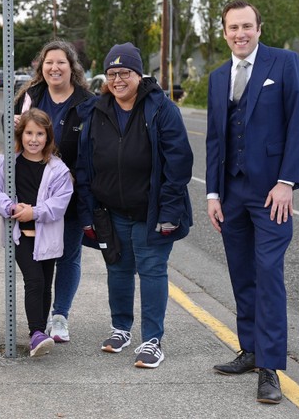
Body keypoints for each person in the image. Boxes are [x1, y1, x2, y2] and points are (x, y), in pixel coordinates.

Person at [205, 0, 299, 403]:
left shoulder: (284, 64)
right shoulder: (218, 77)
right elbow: (216, 138)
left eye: (246, 26)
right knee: (241, 273)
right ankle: (249, 350)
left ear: (259, 28)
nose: (240, 34)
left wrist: (286, 182)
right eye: (233, 28)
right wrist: (214, 193)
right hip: (232, 193)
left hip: (272, 194)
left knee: (268, 275)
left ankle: (270, 367)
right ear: (225, 32)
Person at [76, 42, 193, 369]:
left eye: (124, 72)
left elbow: (179, 164)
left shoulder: (161, 109)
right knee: (118, 269)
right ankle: (121, 328)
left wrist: (170, 213)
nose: (117, 80)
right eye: (112, 74)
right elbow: (84, 166)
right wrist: (88, 212)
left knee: (152, 270)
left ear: (138, 74)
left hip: (152, 213)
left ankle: (152, 340)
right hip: (111, 212)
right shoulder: (97, 111)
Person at [13, 40, 94, 343]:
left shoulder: (88, 102)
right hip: (33, 191)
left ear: (72, 67)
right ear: (41, 67)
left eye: (61, 62)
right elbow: (12, 131)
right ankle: (39, 316)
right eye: (49, 62)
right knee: (40, 256)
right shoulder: (30, 97)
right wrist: (16, 125)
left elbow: (96, 146)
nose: (54, 68)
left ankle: (60, 316)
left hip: (71, 194)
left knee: (68, 256)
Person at [0, 108, 74, 357]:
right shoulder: (10, 164)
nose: (34, 139)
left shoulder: (58, 170)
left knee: (45, 286)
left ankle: (40, 329)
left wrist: (33, 212)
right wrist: (12, 208)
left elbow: (59, 203)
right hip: (21, 237)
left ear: (48, 137)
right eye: (29, 133)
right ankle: (36, 333)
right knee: (34, 281)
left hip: (47, 238)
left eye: (40, 134)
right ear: (20, 134)